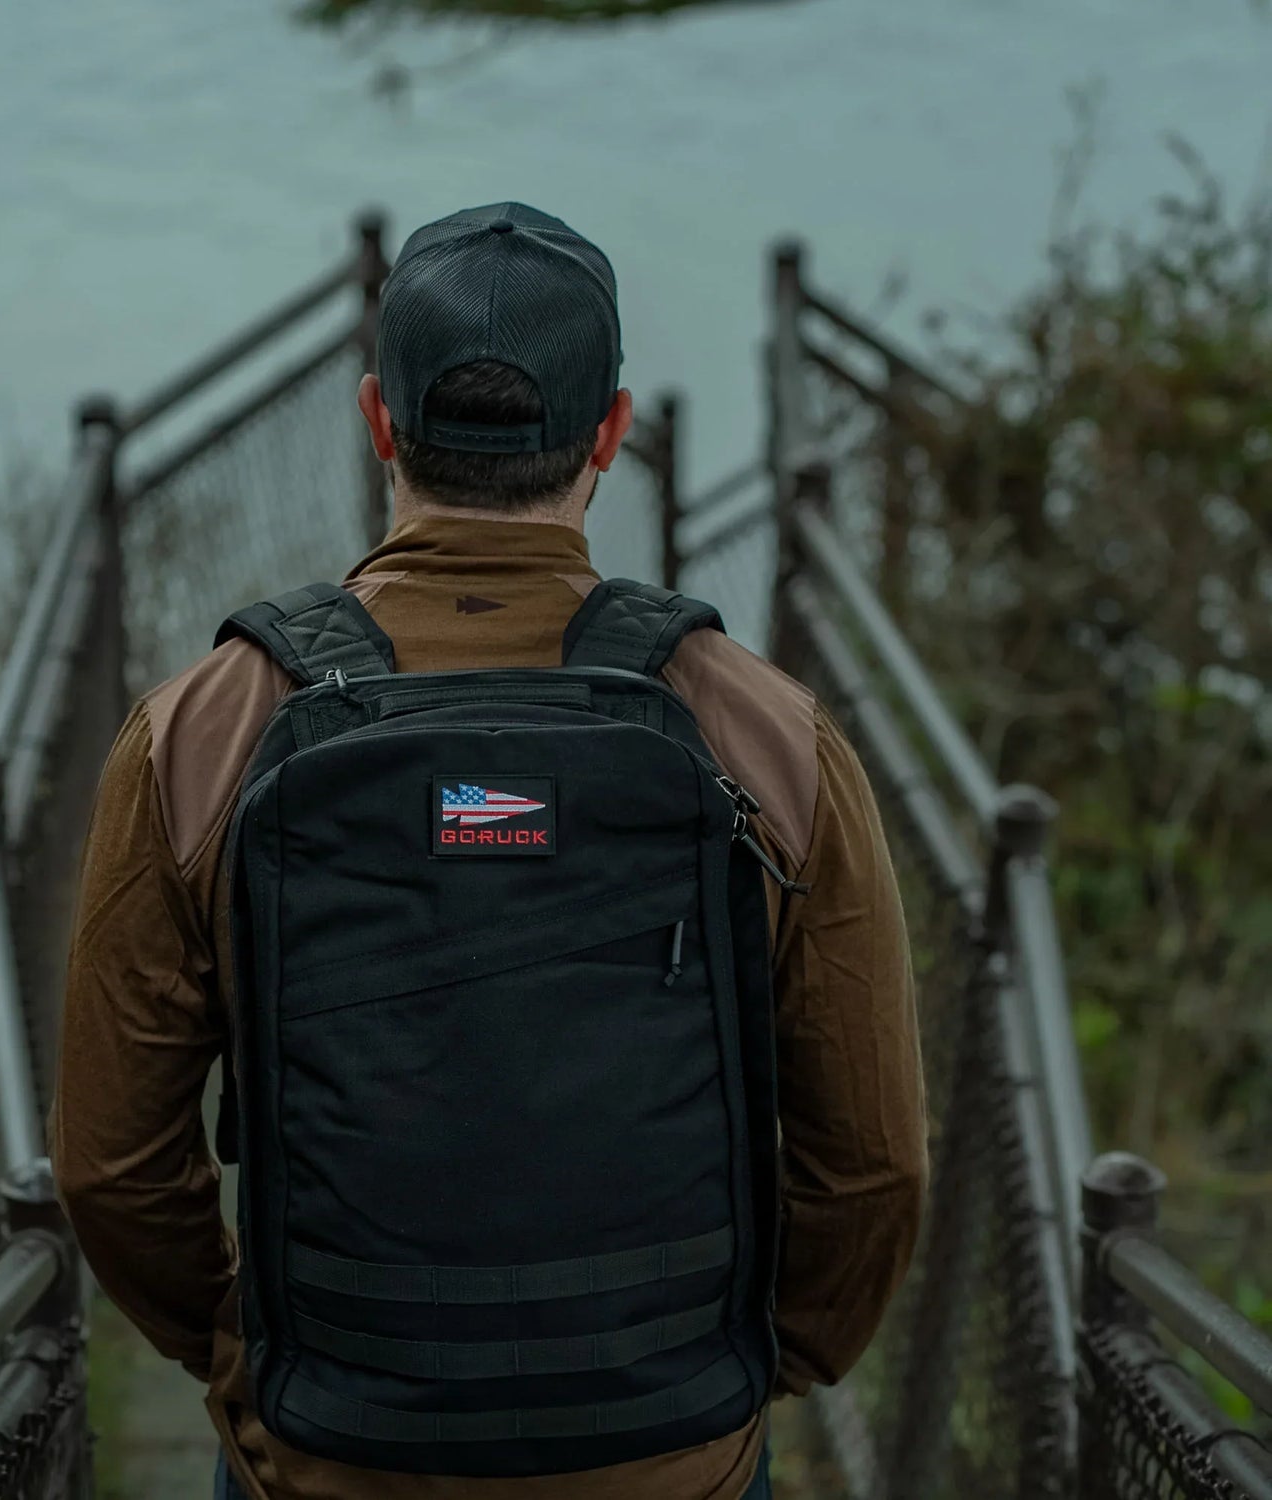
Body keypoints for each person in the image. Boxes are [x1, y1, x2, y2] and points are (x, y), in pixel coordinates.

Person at [51, 202, 927, 1500]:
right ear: (612, 435)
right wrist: (757, 1365)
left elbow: (109, 1167)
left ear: (377, 423)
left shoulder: (200, 729)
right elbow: (876, 1164)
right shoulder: (766, 730)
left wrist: (251, 1348)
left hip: (324, 1453)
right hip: (672, 1451)